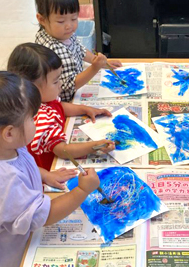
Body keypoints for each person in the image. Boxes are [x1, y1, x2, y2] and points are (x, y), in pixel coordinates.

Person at [0, 71, 101, 267]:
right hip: (8, 256)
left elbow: (23, 163)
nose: (37, 123)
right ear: (9, 133)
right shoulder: (2, 180)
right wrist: (82, 190)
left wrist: (45, 175)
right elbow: (44, 216)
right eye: (33, 118)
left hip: (15, 232)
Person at [8, 43, 116, 172]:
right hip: (50, 170)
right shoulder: (41, 118)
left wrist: (84, 109)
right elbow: (63, 150)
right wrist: (93, 146)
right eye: (55, 81)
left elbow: (59, 106)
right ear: (32, 88)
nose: (61, 84)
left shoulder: (43, 99)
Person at [34, 0, 122, 102]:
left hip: (78, 86)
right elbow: (69, 87)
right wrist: (94, 68)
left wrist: (100, 63)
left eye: (74, 18)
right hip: (63, 101)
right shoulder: (51, 50)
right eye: (61, 21)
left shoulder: (62, 34)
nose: (69, 26)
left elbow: (79, 49)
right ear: (42, 19)